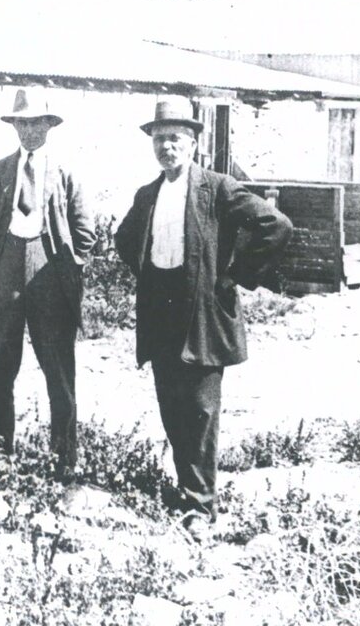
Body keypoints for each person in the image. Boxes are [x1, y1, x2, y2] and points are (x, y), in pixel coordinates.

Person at [113, 98, 293, 540]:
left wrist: (235, 275)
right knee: (170, 404)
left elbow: (276, 225)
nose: (167, 147)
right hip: (161, 309)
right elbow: (125, 239)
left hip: (202, 312)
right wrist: (150, 274)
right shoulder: (147, 194)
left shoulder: (218, 188)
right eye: (159, 139)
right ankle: (186, 488)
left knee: (200, 409)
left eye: (175, 138)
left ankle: (201, 506)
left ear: (193, 144)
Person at [0, 87, 94, 480]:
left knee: (58, 368)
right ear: (14, 127)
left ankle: (64, 457)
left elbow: (85, 231)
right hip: (6, 267)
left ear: (49, 125)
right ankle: (0, 452)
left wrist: (67, 268)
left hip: (50, 272)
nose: (28, 131)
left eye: (35, 123)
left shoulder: (66, 171)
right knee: (0, 366)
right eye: (21, 124)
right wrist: (6, 258)